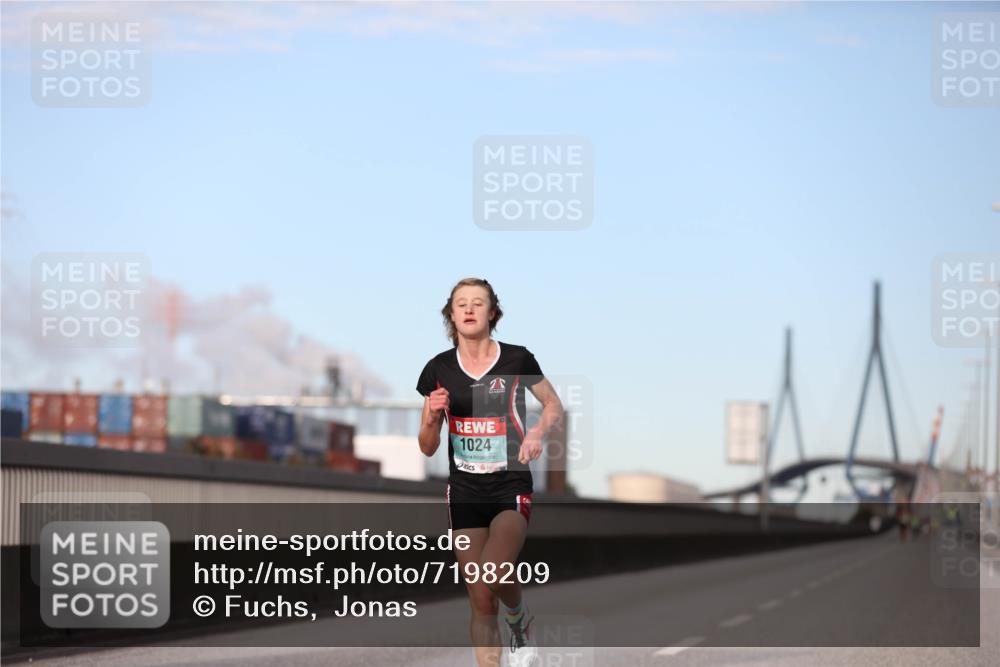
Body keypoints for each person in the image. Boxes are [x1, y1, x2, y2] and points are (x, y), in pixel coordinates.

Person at [417, 278, 564, 667]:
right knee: (480, 598)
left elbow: (553, 405)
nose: (468, 309)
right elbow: (427, 445)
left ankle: (518, 619)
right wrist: (432, 416)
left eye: (477, 303)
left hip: (509, 486)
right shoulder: (438, 369)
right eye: (461, 303)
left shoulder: (516, 359)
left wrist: (536, 432)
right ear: (450, 314)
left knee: (496, 571)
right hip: (464, 492)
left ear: (492, 312)